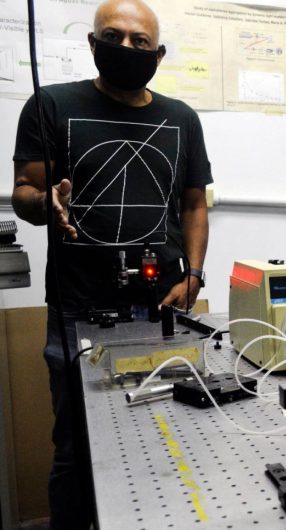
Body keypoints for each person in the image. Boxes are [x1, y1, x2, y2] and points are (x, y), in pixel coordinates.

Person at [11, 0, 212, 527]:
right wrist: (46, 203)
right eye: (113, 36)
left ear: (158, 54)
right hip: (77, 311)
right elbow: (24, 192)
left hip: (160, 310)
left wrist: (194, 274)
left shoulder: (182, 118)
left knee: (166, 435)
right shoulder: (51, 104)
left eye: (140, 41)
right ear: (92, 43)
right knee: (76, 448)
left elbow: (194, 204)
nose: (126, 47)